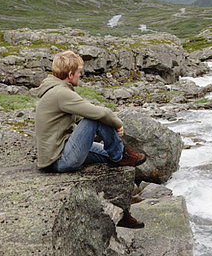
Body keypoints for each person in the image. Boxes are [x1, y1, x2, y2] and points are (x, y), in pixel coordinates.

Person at [35, 50, 146, 228]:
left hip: (61, 151)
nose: (80, 75)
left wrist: (106, 129)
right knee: (97, 118)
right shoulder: (61, 93)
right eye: (79, 72)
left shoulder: (57, 90)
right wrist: (117, 125)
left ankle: (121, 213)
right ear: (70, 75)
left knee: (110, 159)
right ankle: (121, 154)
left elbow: (78, 118)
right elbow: (98, 113)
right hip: (59, 159)